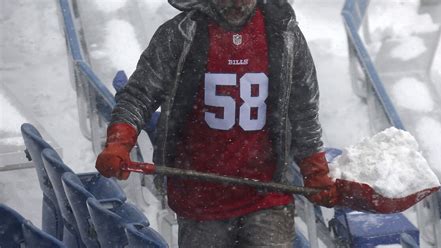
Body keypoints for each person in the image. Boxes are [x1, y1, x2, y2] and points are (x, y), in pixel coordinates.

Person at [96, 0, 339, 247]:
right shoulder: (181, 34)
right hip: (199, 199)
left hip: (267, 193)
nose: (238, 4)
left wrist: (315, 170)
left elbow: (304, 108)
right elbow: (140, 94)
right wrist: (119, 142)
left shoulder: (284, 34)